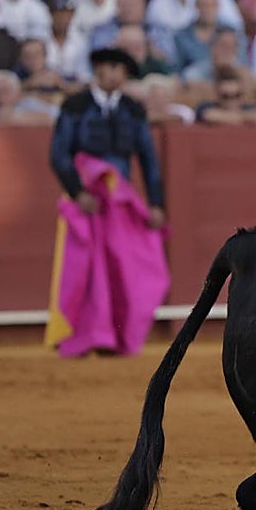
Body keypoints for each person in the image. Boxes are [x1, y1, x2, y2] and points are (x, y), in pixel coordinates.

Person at [46, 46, 169, 358]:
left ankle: (115, 337)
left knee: (121, 267)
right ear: (99, 69)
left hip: (119, 200)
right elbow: (59, 155)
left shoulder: (132, 109)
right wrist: (78, 192)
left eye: (122, 70)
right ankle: (80, 337)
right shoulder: (75, 105)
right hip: (84, 199)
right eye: (112, 67)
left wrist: (155, 203)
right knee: (81, 268)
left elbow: (148, 159)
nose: (117, 75)